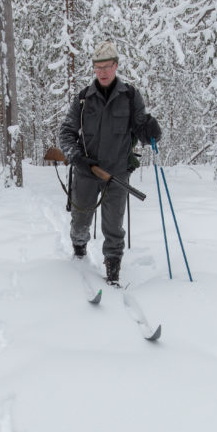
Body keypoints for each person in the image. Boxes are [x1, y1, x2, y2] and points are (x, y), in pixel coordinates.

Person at [58, 41, 161, 285]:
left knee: (114, 226)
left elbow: (142, 128)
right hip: (86, 171)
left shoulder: (130, 96)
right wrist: (77, 158)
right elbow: (66, 133)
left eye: (107, 66)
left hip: (116, 173)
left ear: (115, 66)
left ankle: (113, 270)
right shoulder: (83, 99)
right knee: (80, 219)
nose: (103, 71)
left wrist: (151, 131)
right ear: (94, 69)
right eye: (98, 67)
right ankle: (79, 250)